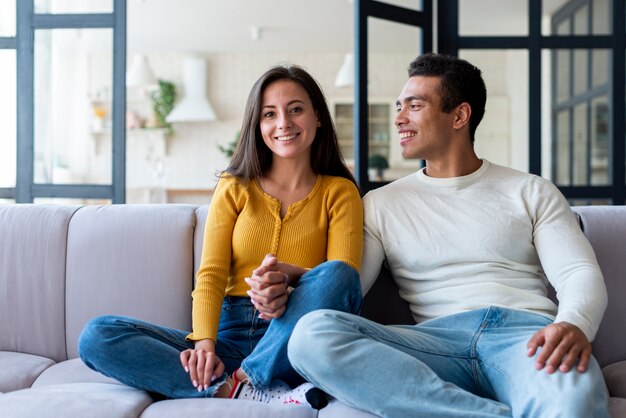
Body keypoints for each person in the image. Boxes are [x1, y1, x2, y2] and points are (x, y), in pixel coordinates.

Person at [287, 53, 610, 417]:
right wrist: (295, 282)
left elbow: (577, 272)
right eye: (399, 106)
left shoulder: (530, 191)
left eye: (415, 105)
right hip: (433, 343)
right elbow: (348, 289)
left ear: (459, 116)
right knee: (311, 335)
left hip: (525, 338)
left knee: (575, 403)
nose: (399, 118)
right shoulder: (380, 204)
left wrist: (573, 323)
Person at [78, 64, 363, 408]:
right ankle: (234, 389)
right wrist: (204, 345)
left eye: (296, 109)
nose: (283, 123)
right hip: (229, 339)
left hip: (294, 338)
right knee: (98, 334)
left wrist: (289, 280)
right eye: (269, 114)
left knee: (339, 274)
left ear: (318, 116)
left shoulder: (340, 191)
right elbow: (210, 274)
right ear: (258, 126)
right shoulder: (234, 186)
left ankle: (248, 380)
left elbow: (342, 284)